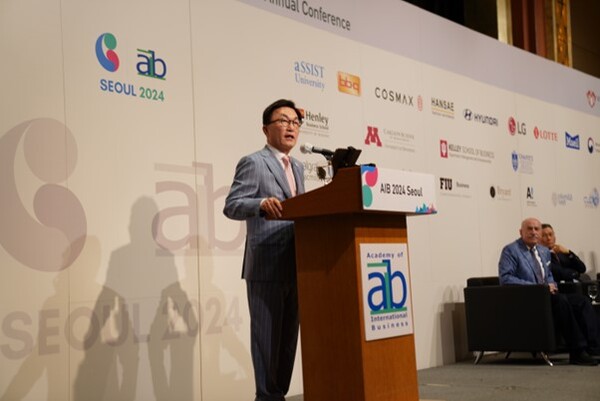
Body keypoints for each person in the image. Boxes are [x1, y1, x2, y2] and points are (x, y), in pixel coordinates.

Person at [223, 99, 305, 401]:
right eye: (283, 120)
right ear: (265, 128)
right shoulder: (254, 162)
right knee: (267, 343)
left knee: (287, 344)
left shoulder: (298, 166)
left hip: (297, 263)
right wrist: (259, 204)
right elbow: (231, 206)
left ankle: (278, 396)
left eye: (295, 122)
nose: (291, 127)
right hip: (267, 265)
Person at [498, 217, 599, 366]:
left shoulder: (544, 251)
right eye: (529, 229)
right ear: (521, 232)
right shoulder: (511, 250)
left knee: (582, 301)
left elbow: (548, 275)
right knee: (561, 301)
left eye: (536, 229)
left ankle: (594, 349)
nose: (533, 232)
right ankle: (577, 351)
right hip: (527, 298)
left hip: (547, 296)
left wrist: (551, 285)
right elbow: (505, 278)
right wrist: (539, 288)